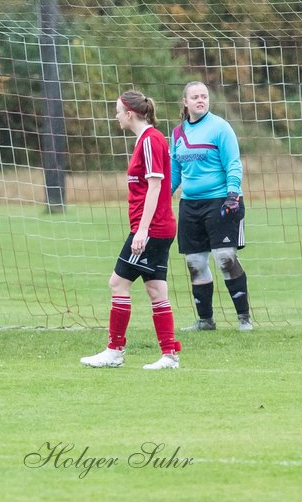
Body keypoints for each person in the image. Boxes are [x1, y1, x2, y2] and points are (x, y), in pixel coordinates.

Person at [81, 90, 182, 370]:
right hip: (159, 228)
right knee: (156, 290)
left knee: (117, 283)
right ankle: (169, 355)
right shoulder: (149, 140)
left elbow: (155, 185)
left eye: (117, 111)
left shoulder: (150, 141)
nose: (115, 116)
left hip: (151, 229)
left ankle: (114, 350)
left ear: (129, 113)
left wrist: (142, 231)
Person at [171, 81, 253, 331]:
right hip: (190, 205)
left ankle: (244, 318)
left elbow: (233, 163)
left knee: (225, 258)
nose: (200, 100)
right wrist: (162, 199)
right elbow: (174, 172)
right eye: (195, 96)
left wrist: (232, 194)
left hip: (221, 201)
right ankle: (205, 320)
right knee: (195, 262)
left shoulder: (220, 127)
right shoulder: (177, 134)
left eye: (204, 96)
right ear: (185, 101)